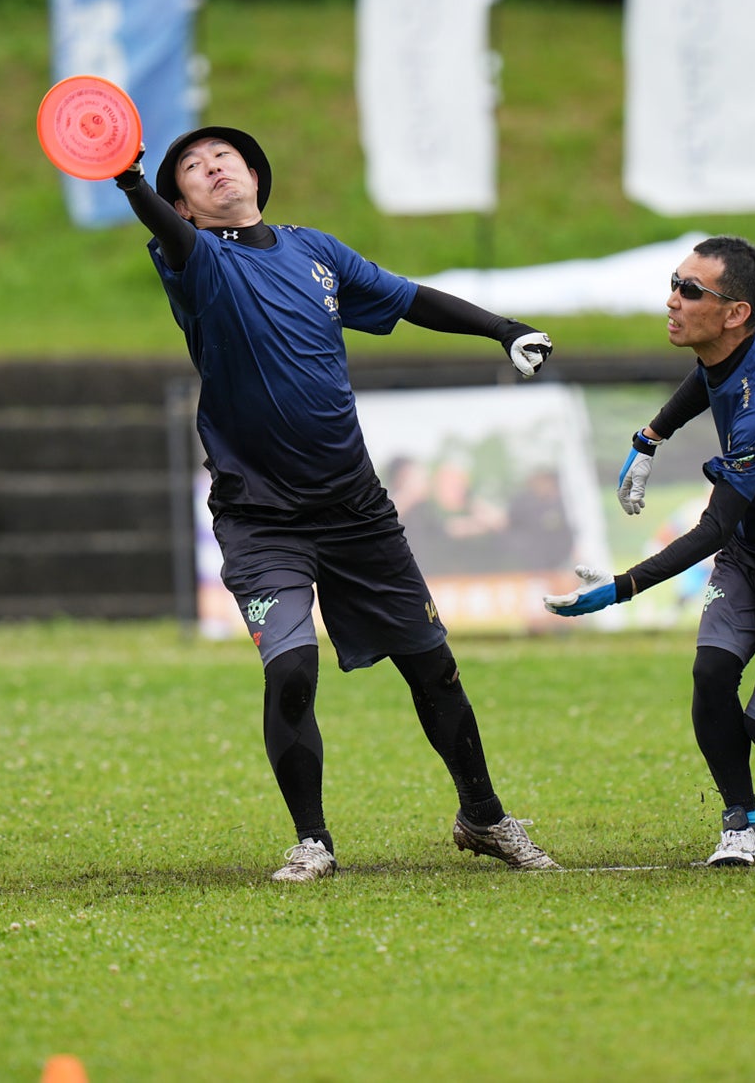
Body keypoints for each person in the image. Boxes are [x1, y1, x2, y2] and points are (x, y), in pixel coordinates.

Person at [115, 125, 561, 881]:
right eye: (191, 167)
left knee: (434, 668)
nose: (213, 166)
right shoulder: (193, 259)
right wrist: (131, 185)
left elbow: (408, 297)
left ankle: (484, 817)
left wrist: (501, 329)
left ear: (255, 172)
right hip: (260, 515)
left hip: (356, 510)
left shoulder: (314, 252)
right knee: (290, 671)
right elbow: (162, 225)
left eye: (224, 156)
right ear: (182, 206)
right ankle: (312, 841)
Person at [543, 235, 755, 867]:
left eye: (691, 292)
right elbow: (710, 378)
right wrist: (651, 436)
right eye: (674, 283)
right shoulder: (731, 348)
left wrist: (624, 586)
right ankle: (743, 826)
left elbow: (713, 529)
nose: (672, 301)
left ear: (737, 313)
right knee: (709, 673)